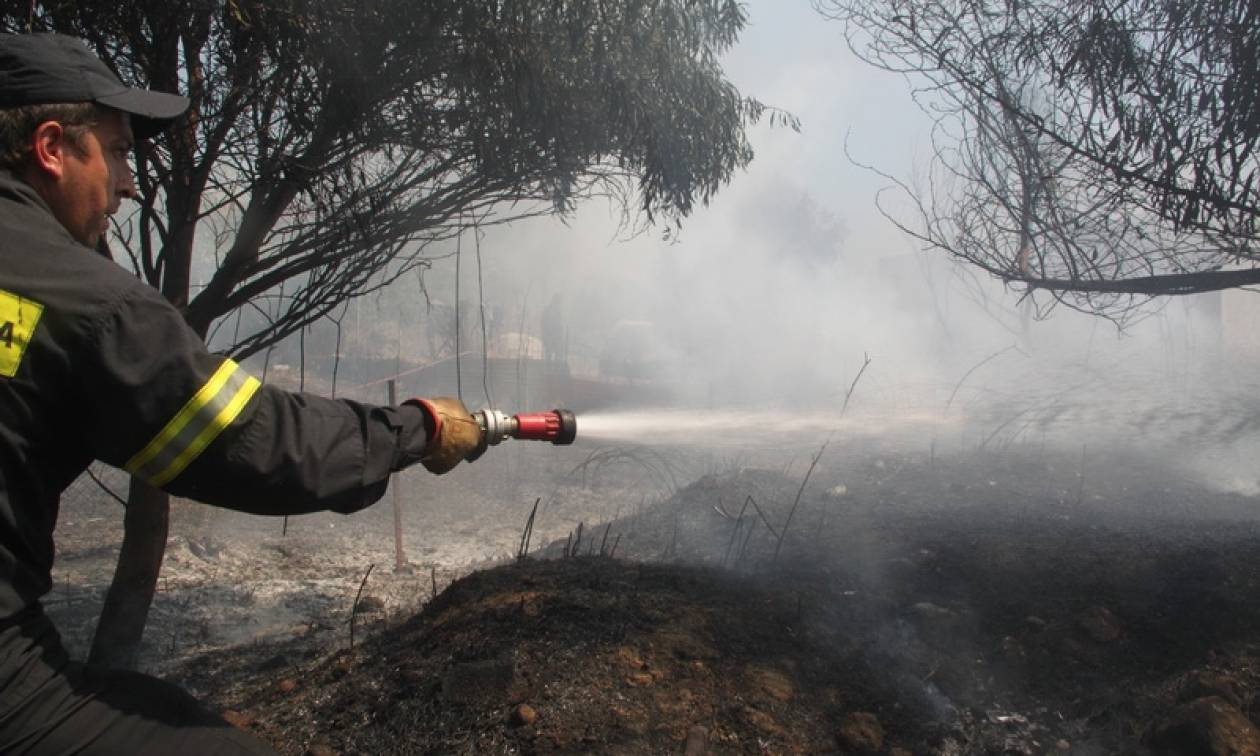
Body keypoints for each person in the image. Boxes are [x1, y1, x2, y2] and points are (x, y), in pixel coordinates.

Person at [0, 33, 483, 754]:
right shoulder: (83, 301)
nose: (131, 184)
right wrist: (417, 427)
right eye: (120, 150)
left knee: (150, 703)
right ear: (50, 147)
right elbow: (252, 444)